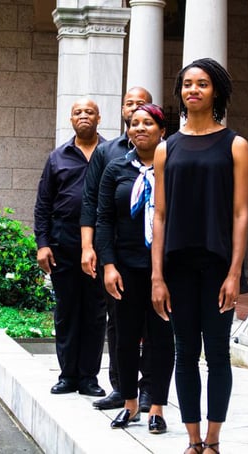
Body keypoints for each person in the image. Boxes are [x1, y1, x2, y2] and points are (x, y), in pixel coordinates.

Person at [151, 58, 248, 454]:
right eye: (187, 84)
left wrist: (234, 273)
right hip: (177, 264)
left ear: (216, 92)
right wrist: (157, 275)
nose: (193, 90)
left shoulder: (235, 145)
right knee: (185, 353)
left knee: (218, 355)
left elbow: (241, 213)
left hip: (216, 265)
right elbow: (159, 215)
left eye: (202, 84)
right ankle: (192, 441)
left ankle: (213, 440)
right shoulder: (165, 148)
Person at [96, 104, 175, 433]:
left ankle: (156, 405)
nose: (139, 128)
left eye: (147, 123)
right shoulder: (115, 169)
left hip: (165, 269)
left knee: (161, 338)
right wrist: (108, 265)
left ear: (162, 131)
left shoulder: (172, 169)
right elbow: (103, 219)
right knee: (125, 339)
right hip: (125, 267)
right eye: (133, 123)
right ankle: (130, 404)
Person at [80, 86, 155, 412]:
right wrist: (89, 247)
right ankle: (120, 387)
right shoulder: (107, 153)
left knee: (154, 325)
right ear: (122, 110)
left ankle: (151, 389)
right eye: (130, 104)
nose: (135, 109)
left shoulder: (166, 154)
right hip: (119, 255)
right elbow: (92, 204)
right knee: (117, 321)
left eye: (142, 104)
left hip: (155, 256)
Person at [34, 98, 108, 397]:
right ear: (71, 119)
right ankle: (67, 376)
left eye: (89, 112)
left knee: (94, 311)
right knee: (66, 311)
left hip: (100, 245)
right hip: (63, 242)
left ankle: (89, 378)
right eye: (78, 112)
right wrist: (43, 244)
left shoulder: (110, 154)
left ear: (98, 118)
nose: (83, 116)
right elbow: (43, 205)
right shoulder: (57, 157)